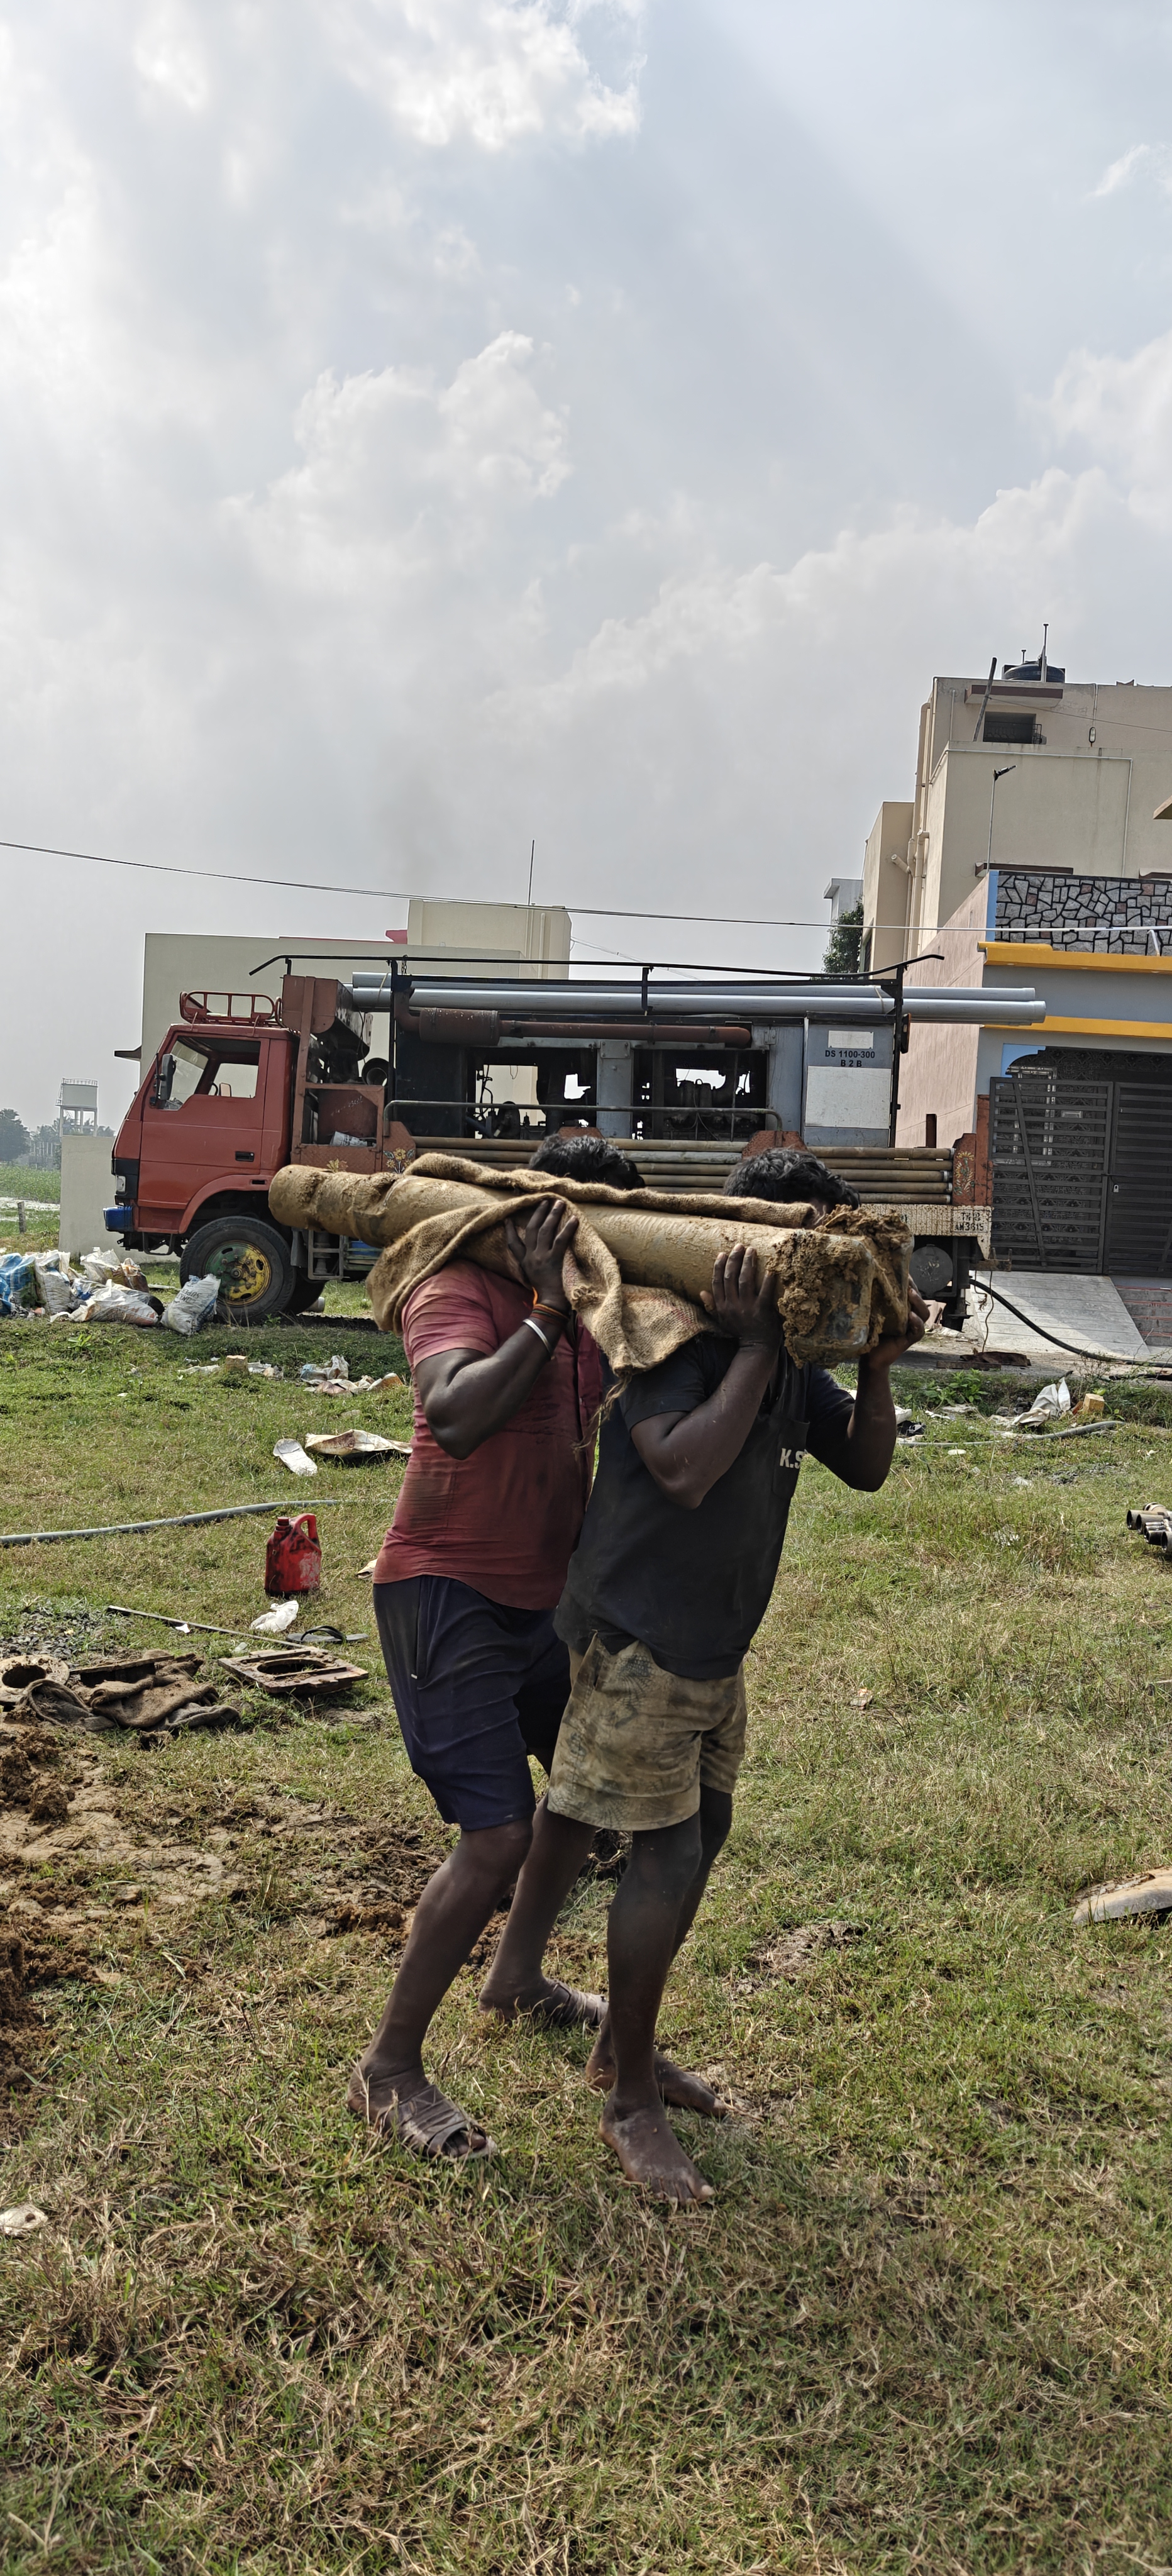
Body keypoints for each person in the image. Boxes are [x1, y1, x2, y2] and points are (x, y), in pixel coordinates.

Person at [481, 1145, 931, 2203]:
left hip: (709, 1641)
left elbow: (865, 1469)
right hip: (636, 1631)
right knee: (668, 1848)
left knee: (632, 1816)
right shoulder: (669, 1335)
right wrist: (758, 1351)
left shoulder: (790, 1360)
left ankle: (513, 1975)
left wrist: (870, 1361)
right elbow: (681, 1471)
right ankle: (628, 2092)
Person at [348, 1132, 643, 2161]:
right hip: (446, 1594)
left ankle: (515, 1980)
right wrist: (550, 1312)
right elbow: (454, 1412)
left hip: (543, 1605)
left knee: (579, 1797)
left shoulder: (596, 1311)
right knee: (497, 1836)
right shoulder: (458, 1289)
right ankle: (387, 2068)